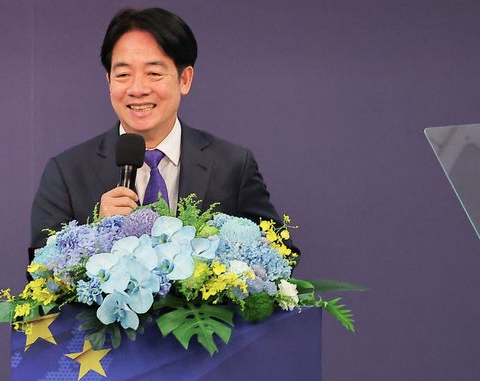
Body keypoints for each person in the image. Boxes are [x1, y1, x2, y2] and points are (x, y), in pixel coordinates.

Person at [29, 7, 290, 255]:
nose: (137, 88)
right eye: (123, 75)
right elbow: (40, 272)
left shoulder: (232, 165)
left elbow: (281, 254)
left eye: (153, 73)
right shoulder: (67, 172)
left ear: (184, 79)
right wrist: (96, 233)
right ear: (108, 81)